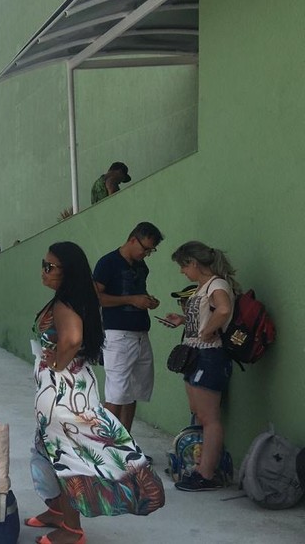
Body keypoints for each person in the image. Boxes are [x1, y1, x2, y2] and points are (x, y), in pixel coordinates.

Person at [27, 242, 164, 544]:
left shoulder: (66, 305)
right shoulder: (75, 298)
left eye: (50, 266)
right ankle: (56, 511)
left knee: (65, 459)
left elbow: (72, 339)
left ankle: (71, 531)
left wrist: (57, 363)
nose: (44, 271)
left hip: (62, 395)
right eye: (44, 264)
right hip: (71, 388)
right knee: (44, 455)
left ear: (68, 272)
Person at [159, 241, 238, 492]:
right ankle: (200, 465)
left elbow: (223, 309)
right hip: (195, 356)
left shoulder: (216, 284)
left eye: (183, 266)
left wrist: (208, 330)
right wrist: (183, 320)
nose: (183, 272)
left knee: (209, 417)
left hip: (210, 356)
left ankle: (206, 474)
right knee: (198, 412)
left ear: (193, 263)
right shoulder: (202, 287)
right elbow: (207, 315)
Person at [93, 222, 164, 432]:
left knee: (131, 394)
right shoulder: (108, 263)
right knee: (115, 395)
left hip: (141, 334)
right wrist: (132, 300)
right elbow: (95, 297)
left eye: (151, 250)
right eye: (145, 248)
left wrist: (147, 301)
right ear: (133, 240)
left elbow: (135, 295)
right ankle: (105, 449)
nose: (147, 254)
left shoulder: (142, 267)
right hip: (118, 336)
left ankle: (125, 446)